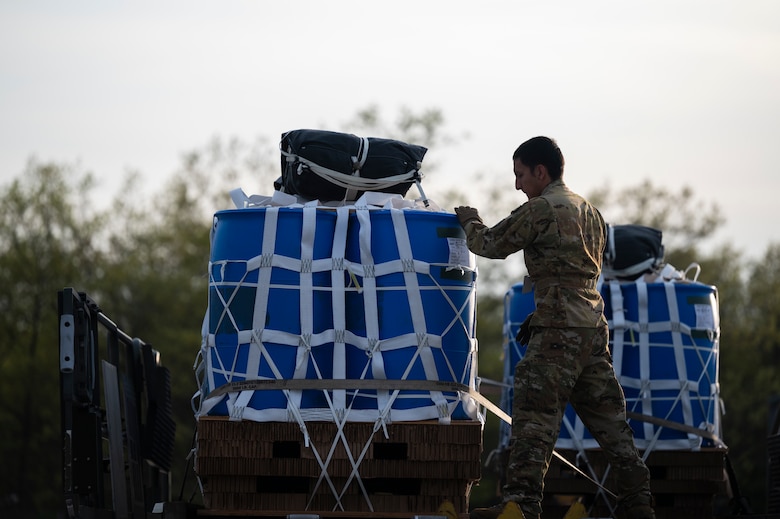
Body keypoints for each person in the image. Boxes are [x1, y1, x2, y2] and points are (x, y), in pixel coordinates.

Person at [454, 137, 655, 519]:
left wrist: (469, 219)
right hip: (592, 329)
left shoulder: (541, 208)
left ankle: (521, 505)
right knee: (611, 422)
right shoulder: (591, 211)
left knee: (534, 415)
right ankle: (639, 503)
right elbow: (577, 274)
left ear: (540, 172)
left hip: (558, 332)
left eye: (520, 175)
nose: (517, 185)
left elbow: (491, 244)